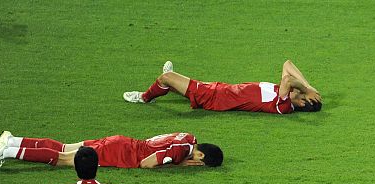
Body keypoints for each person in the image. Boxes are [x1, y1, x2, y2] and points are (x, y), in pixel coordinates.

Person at [122, 60, 322, 114]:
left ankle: (144, 97)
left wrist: (305, 89)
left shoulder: (283, 105)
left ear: (303, 103)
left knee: (166, 77)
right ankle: (168, 85)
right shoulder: (284, 94)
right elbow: (287, 64)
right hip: (218, 90)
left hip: (215, 97)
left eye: (302, 95)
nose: (299, 92)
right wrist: (309, 87)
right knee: (173, 83)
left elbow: (288, 80)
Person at [0, 131, 223, 168]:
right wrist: (180, 163)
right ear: (200, 154)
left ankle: (14, 140)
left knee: (65, 146)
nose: (197, 164)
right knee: (66, 159)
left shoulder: (189, 137)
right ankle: (7, 152)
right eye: (201, 163)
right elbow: (147, 164)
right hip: (121, 153)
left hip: (121, 141)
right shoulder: (181, 151)